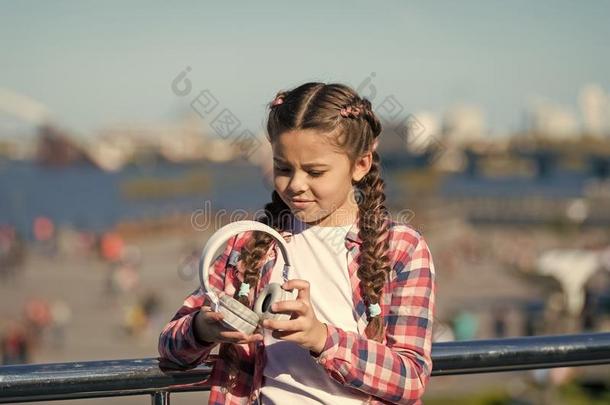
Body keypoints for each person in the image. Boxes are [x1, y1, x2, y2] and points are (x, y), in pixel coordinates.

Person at [158, 82, 436, 404]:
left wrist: (321, 338)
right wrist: (202, 329)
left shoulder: (402, 249)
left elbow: (411, 378)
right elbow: (169, 347)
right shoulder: (249, 246)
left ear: (360, 165)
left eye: (315, 172)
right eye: (283, 168)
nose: (296, 185)